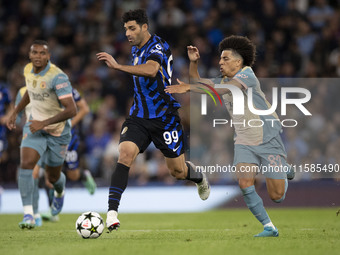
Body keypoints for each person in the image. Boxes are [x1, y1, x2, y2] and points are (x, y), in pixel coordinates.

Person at [165, 35, 294, 237]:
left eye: (225, 58)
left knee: (277, 196)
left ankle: (284, 170)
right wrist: (194, 62)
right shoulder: (222, 80)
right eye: (220, 59)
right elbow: (198, 82)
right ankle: (269, 227)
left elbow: (225, 89)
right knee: (244, 183)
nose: (220, 62)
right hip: (243, 139)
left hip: (267, 136)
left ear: (238, 61)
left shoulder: (247, 75)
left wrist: (190, 87)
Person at [96, 9, 210, 232]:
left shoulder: (158, 46)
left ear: (144, 27)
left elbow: (151, 70)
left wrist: (118, 66)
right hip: (139, 116)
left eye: (132, 28)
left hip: (165, 118)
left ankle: (198, 177)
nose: (127, 33)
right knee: (125, 154)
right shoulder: (135, 48)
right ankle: (111, 213)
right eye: (125, 29)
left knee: (177, 172)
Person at [7, 40, 77, 229]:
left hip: (58, 132)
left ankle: (60, 193)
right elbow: (31, 91)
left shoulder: (58, 77)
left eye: (42, 53)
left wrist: (44, 123)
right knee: (26, 165)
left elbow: (72, 110)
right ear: (30, 55)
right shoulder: (28, 69)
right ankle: (29, 214)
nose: (38, 56)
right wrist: (15, 112)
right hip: (34, 128)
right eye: (34, 53)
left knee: (53, 177)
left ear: (48, 56)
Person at [0, 83, 11, 163]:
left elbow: (11, 107)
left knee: (3, 157)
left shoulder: (3, 88)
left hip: (1, 133)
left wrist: (6, 117)